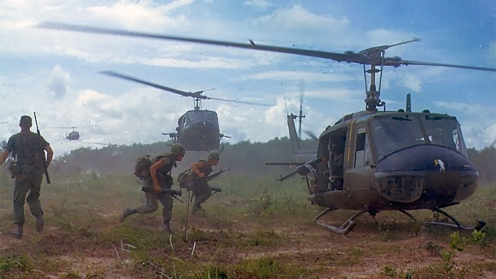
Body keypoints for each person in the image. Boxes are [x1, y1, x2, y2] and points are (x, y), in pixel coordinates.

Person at [0, 115, 53, 239]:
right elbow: (50, 151)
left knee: (18, 200)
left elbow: (4, 156)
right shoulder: (38, 138)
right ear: (30, 125)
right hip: (37, 173)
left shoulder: (14, 138)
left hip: (23, 172)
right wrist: (45, 167)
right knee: (33, 197)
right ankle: (39, 217)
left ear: (20, 125)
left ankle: (19, 230)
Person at [120, 143, 186, 234]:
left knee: (168, 201)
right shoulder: (167, 160)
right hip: (151, 182)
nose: (182, 156)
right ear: (176, 154)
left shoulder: (170, 160)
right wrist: (156, 185)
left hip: (158, 181)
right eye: (181, 154)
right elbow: (152, 169)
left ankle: (166, 227)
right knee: (151, 207)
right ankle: (129, 211)